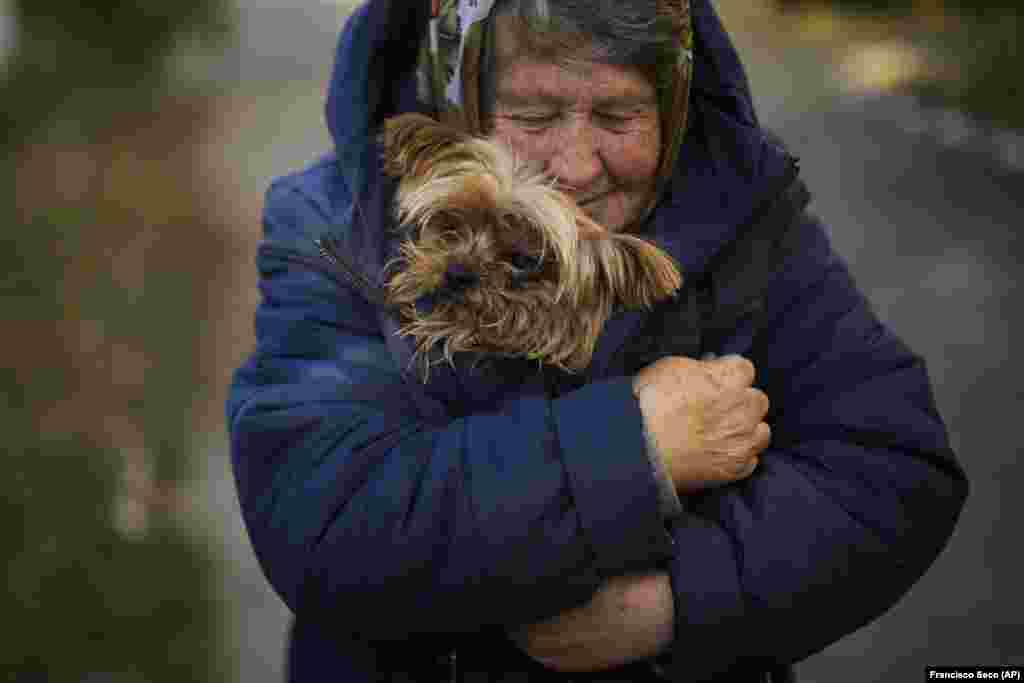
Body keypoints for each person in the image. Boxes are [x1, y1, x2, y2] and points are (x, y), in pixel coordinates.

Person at [225, 0, 969, 680]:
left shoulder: (745, 215)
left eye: (618, 118)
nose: (576, 166)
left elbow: (893, 472)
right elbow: (327, 522)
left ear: (675, 109)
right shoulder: (337, 225)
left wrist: (679, 599)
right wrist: (635, 443)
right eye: (534, 113)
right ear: (459, 96)